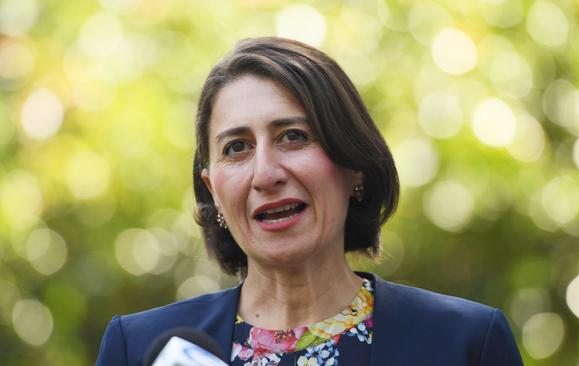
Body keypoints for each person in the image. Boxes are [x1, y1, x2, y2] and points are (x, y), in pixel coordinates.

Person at [96, 37, 523, 365]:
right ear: (212, 191)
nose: (265, 173)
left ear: (354, 165)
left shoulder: (466, 342)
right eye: (236, 147)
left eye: (293, 137)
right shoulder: (139, 349)